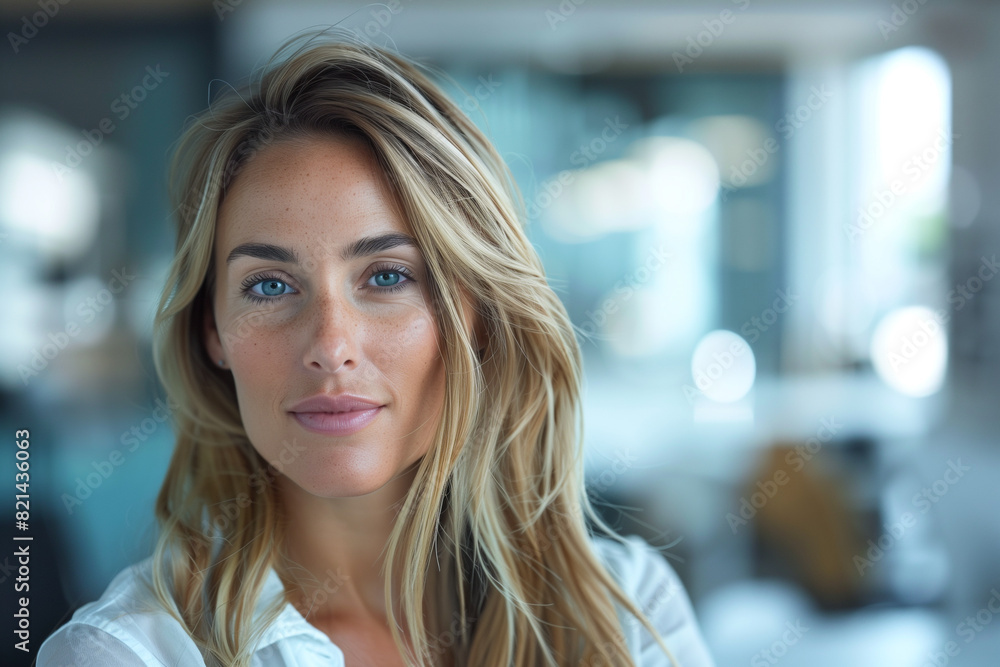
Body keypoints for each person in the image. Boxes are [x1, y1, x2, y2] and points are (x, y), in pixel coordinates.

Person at [37, 28, 715, 667]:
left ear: (475, 314)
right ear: (211, 329)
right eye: (270, 285)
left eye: (388, 275)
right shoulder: (130, 653)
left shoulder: (624, 615)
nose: (331, 347)